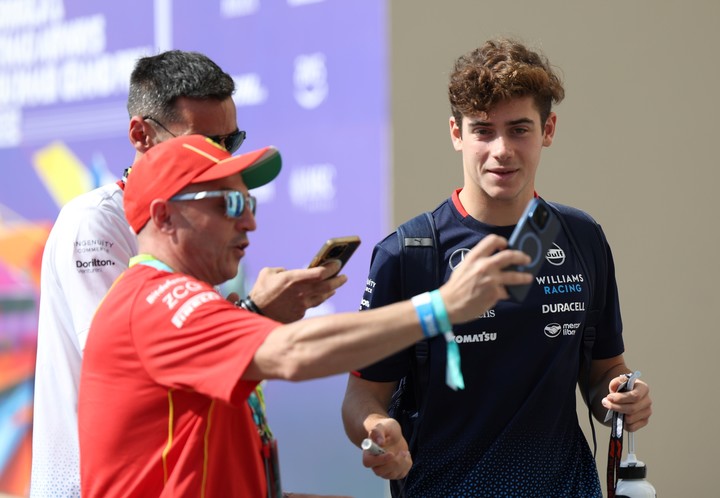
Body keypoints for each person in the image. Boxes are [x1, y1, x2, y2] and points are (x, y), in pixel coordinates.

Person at [76, 134, 533, 497]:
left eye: (250, 204)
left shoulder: (170, 304)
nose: (249, 222)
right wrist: (444, 307)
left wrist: (260, 315)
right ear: (164, 217)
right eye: (229, 204)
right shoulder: (157, 302)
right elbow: (293, 354)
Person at [341, 38, 653, 497]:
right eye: (483, 130)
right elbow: (362, 396)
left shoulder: (583, 237)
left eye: (519, 129)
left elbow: (604, 371)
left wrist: (622, 398)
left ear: (548, 130)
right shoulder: (408, 254)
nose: (501, 149)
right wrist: (378, 430)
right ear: (456, 133)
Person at [30, 50, 344, 498]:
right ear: (140, 134)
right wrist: (258, 315)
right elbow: (141, 358)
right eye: (202, 142)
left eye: (229, 143)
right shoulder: (94, 222)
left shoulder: (196, 220)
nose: (219, 160)